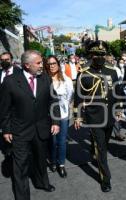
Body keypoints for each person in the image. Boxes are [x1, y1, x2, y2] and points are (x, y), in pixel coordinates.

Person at [0, 50, 60, 200]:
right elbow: (4, 108)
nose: (42, 65)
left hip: (41, 128)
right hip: (19, 130)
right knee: (20, 167)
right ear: (27, 65)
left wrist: (55, 121)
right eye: (39, 63)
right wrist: (6, 129)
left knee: (40, 160)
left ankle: (42, 183)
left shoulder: (45, 78)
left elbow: (53, 101)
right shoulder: (10, 81)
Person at [73, 40, 118, 192]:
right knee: (102, 148)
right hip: (94, 117)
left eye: (102, 54)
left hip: (110, 115)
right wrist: (78, 116)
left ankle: (94, 149)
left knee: (104, 144)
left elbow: (116, 92)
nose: (100, 57)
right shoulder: (84, 73)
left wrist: (119, 109)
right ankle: (106, 179)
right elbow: (79, 97)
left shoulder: (112, 71)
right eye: (97, 54)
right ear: (91, 55)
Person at [45, 55, 73, 178]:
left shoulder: (66, 79)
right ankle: (52, 161)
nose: (51, 66)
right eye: (49, 64)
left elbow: (70, 96)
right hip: (48, 116)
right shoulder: (44, 79)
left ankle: (61, 164)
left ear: (57, 64)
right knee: (52, 140)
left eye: (53, 63)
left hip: (63, 115)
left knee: (61, 141)